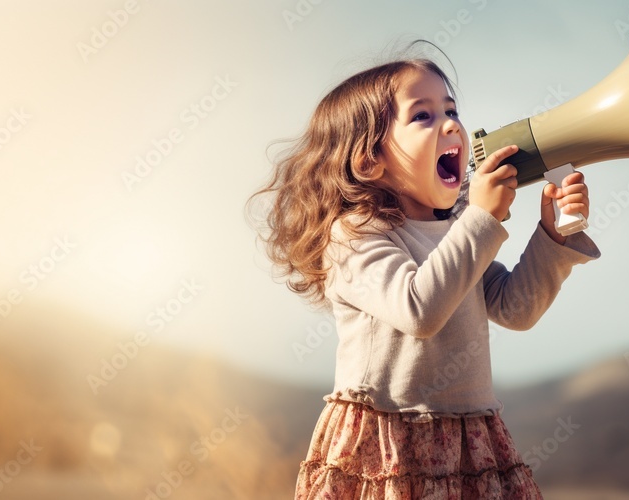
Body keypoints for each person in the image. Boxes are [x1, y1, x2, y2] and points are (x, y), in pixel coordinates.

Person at [247, 45, 601, 498]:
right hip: (387, 443)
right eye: (423, 116)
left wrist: (552, 237)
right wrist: (481, 219)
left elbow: (516, 308)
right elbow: (419, 310)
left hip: (470, 442)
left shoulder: (456, 228)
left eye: (450, 110)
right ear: (369, 159)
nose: (452, 124)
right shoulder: (353, 235)